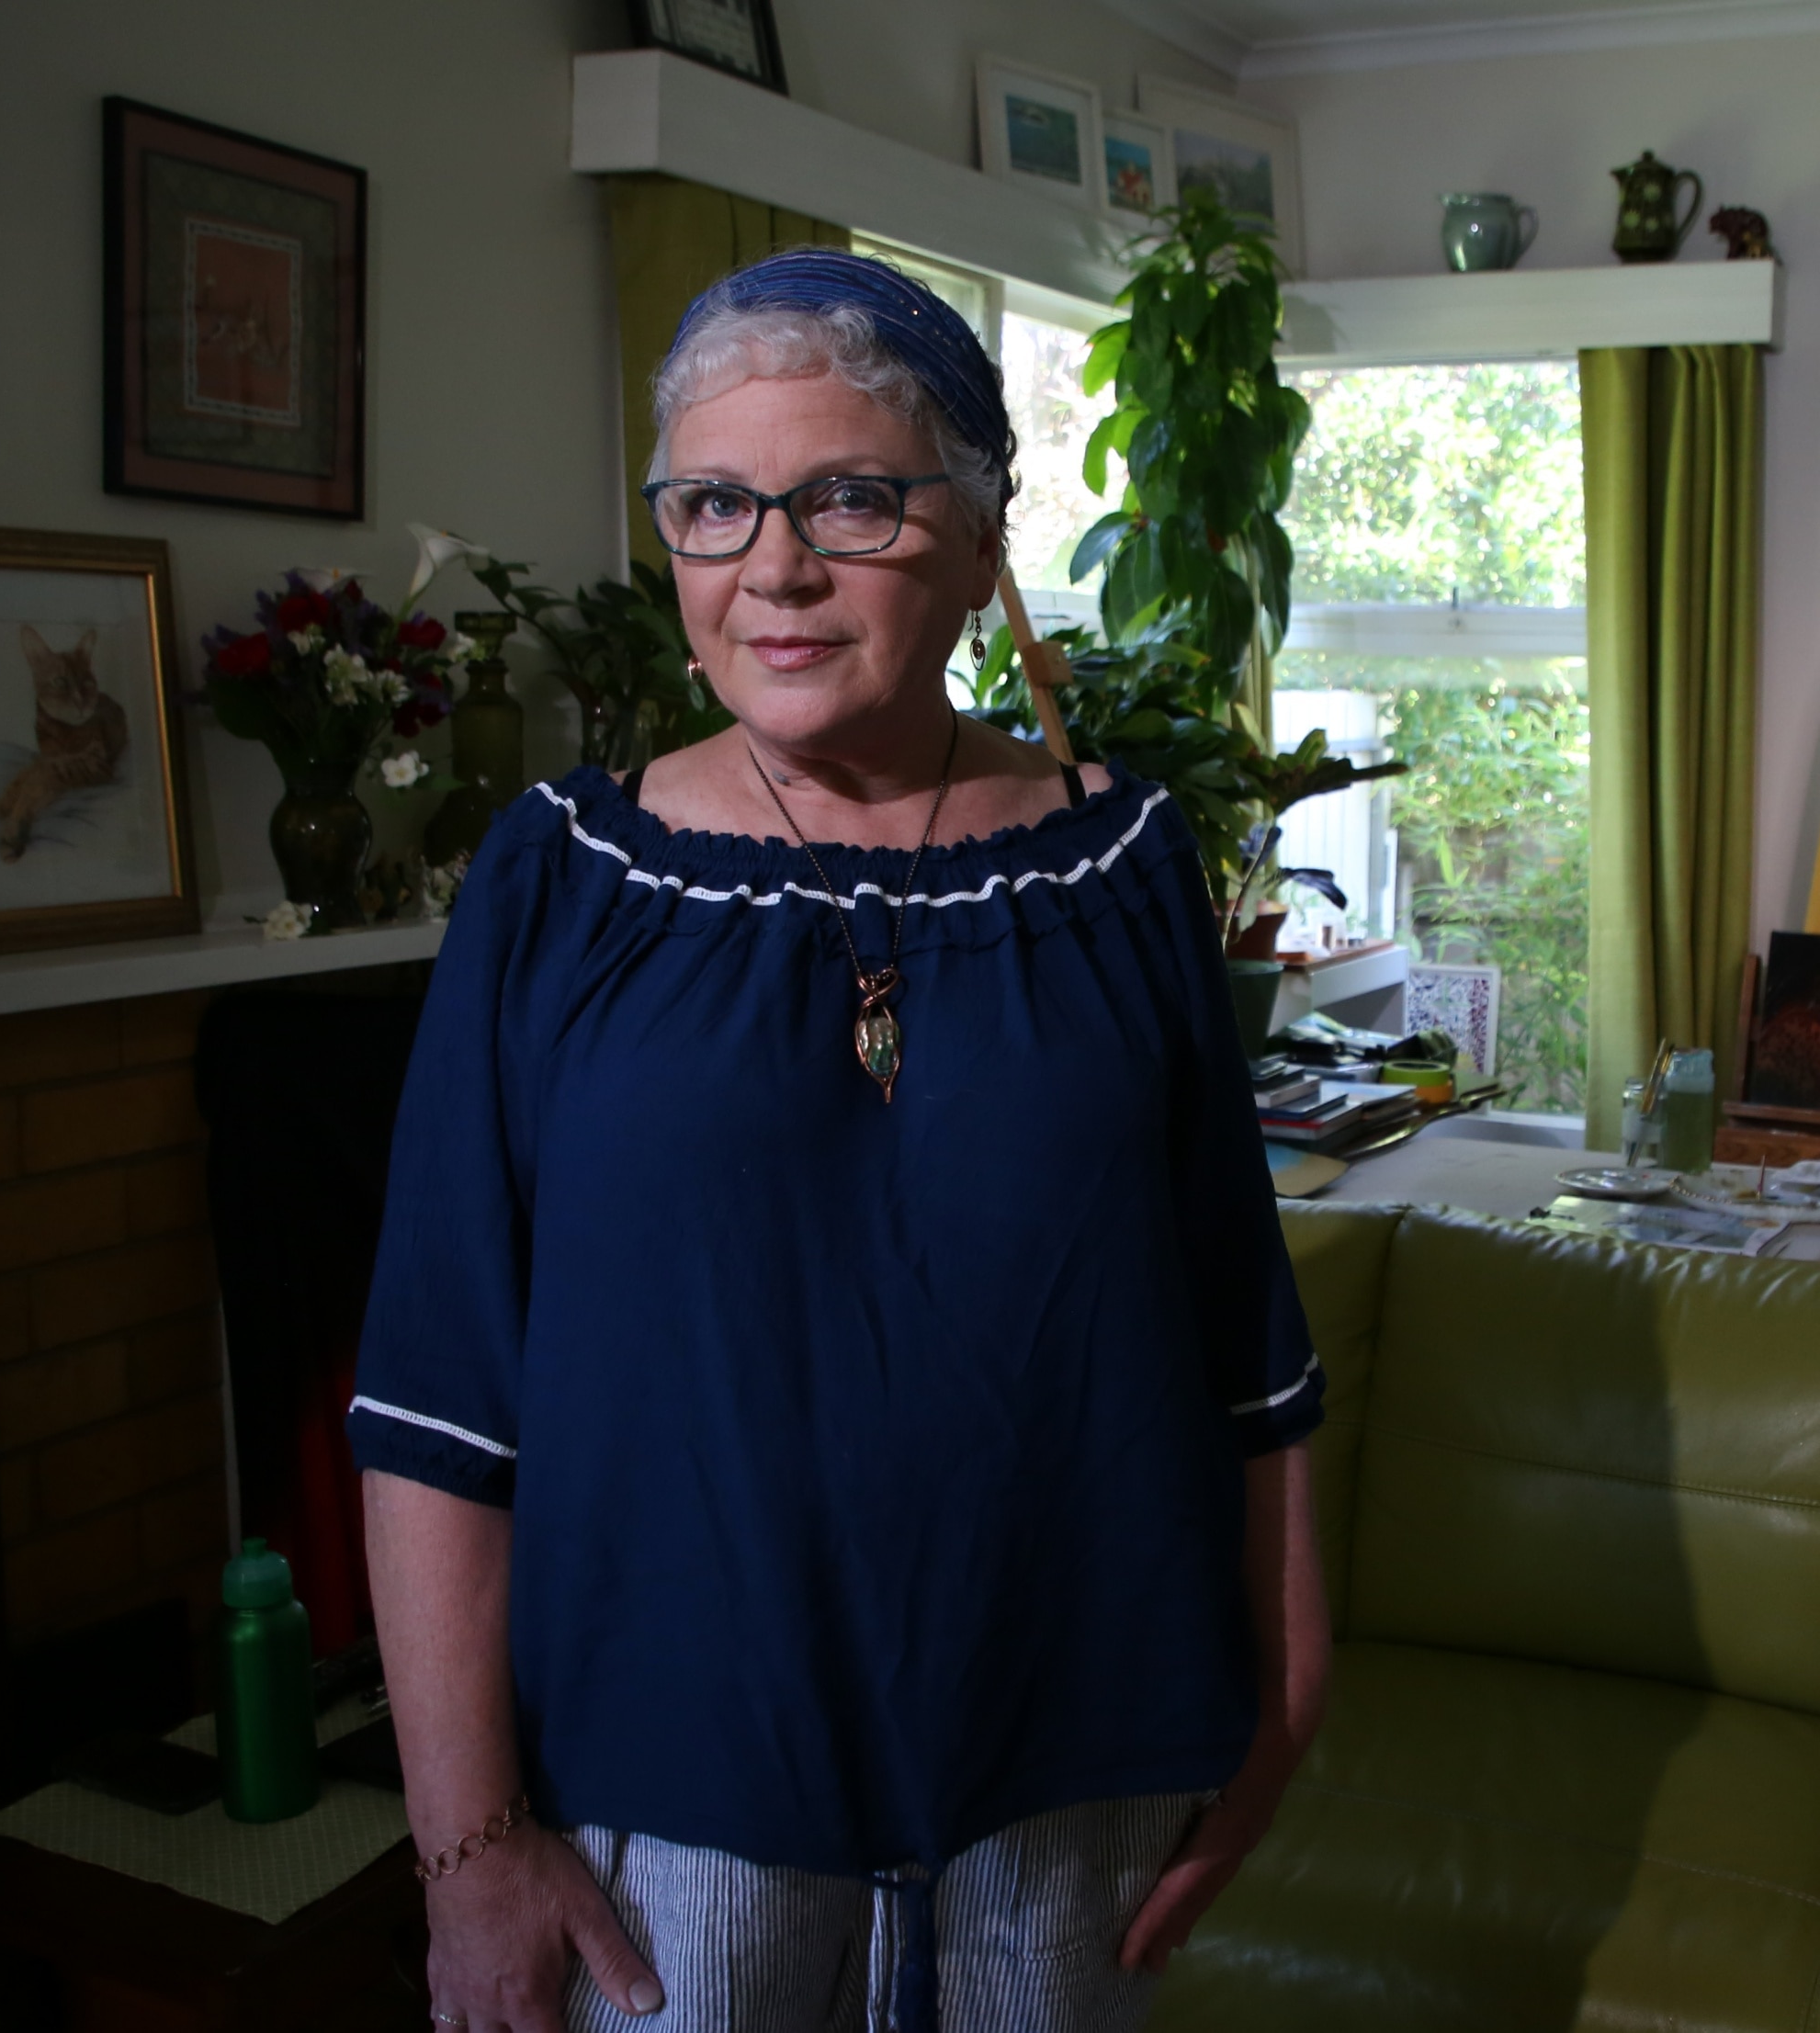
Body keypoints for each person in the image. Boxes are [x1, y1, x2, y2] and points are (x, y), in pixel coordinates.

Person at [351, 248, 1328, 2033]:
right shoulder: (563, 882)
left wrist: (1286, 1694)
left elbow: (1239, 1346)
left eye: (849, 500)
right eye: (715, 505)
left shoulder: (1119, 867)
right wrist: (465, 1842)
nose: (773, 568)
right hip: (671, 1824)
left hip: (1069, 1785)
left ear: (974, 535)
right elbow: (437, 1395)